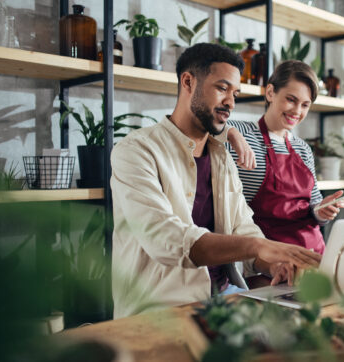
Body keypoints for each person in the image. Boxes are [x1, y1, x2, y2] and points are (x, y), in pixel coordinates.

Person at [110, 44, 321, 318]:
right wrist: (261, 246)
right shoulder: (136, 151)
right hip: (161, 313)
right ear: (188, 82)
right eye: (222, 88)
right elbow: (165, 239)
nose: (231, 103)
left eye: (235, 94)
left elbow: (243, 227)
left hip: (225, 302)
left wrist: (272, 264)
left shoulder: (221, 157)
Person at [226, 60, 344, 255]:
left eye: (305, 105)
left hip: (314, 253)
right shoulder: (242, 134)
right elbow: (203, 125)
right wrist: (230, 133)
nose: (297, 111)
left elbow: (313, 208)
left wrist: (322, 210)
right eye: (291, 99)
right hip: (268, 258)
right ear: (271, 92)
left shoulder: (303, 148)